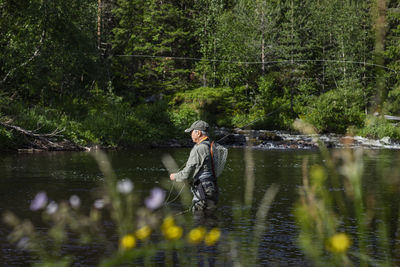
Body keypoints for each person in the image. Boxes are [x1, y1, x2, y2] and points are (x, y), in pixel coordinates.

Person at [169, 120, 218, 217]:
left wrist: (175, 176)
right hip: (213, 188)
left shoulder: (198, 148)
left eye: (192, 132)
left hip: (203, 189)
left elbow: (187, 173)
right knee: (209, 220)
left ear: (198, 133)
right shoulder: (212, 146)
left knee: (199, 218)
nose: (190, 134)